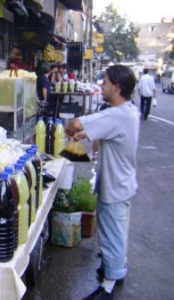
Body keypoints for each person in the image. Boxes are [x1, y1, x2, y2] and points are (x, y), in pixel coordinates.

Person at [65, 65, 139, 300]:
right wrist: (88, 134)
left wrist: (71, 129)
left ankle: (108, 285)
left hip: (115, 187)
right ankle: (117, 268)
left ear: (117, 87)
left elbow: (76, 124)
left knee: (111, 235)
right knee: (118, 231)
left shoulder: (116, 114)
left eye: (105, 82)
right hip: (123, 182)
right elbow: (105, 133)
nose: (101, 86)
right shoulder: (128, 110)